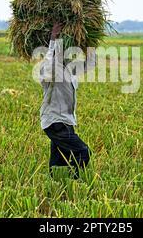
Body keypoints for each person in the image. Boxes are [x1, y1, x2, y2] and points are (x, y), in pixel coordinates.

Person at [39, 21, 95, 179]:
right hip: (55, 122)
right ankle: (73, 182)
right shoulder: (48, 73)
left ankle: (58, 184)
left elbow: (90, 64)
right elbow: (51, 61)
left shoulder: (69, 71)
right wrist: (54, 39)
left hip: (67, 122)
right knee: (83, 151)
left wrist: (90, 43)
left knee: (59, 162)